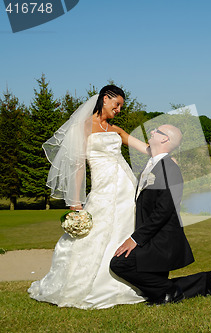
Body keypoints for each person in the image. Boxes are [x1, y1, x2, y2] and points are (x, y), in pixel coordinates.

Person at [28, 85, 149, 309]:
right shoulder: (83, 128)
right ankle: (90, 284)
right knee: (95, 234)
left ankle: (126, 282)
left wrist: (165, 151)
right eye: (117, 104)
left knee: (124, 231)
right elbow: (78, 167)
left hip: (126, 188)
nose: (119, 109)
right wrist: (76, 203)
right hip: (103, 189)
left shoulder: (117, 130)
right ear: (105, 99)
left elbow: (145, 148)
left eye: (121, 106)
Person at [110, 124, 211, 305]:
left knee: (119, 264)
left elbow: (165, 210)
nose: (152, 131)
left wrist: (135, 239)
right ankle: (204, 281)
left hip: (162, 240)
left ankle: (171, 291)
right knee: (155, 284)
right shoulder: (153, 165)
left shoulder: (169, 168)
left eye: (157, 130)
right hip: (152, 237)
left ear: (164, 139)